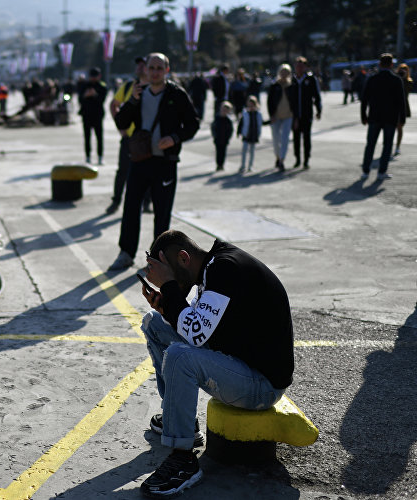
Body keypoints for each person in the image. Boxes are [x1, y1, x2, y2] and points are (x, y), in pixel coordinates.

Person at [137, 230, 294, 498]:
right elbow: (199, 329)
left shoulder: (225, 269)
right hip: (237, 361)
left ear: (183, 258)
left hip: (261, 384)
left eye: (167, 274)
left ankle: (183, 459)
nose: (165, 282)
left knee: (179, 356)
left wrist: (169, 287)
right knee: (154, 323)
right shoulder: (212, 267)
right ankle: (180, 421)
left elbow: (196, 332)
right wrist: (167, 307)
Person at [108, 52, 199, 271]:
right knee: (131, 208)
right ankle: (126, 253)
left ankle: (157, 258)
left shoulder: (176, 94)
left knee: (162, 211)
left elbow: (193, 124)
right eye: (152, 67)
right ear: (145, 70)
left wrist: (175, 138)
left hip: (165, 162)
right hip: (139, 161)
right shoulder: (138, 94)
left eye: (160, 68)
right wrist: (131, 101)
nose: (155, 71)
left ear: (167, 70)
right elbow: (121, 120)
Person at [106, 56, 151, 215]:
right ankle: (116, 201)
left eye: (143, 65)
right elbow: (114, 105)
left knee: (148, 173)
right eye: (138, 64)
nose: (139, 67)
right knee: (123, 171)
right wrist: (120, 127)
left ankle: (147, 202)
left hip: (148, 139)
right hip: (129, 139)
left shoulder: (155, 87)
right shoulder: (127, 87)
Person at [360, 53, 407, 181]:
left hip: (374, 117)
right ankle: (381, 172)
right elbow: (401, 101)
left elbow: (364, 99)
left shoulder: (372, 79)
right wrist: (402, 118)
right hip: (390, 118)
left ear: (379, 64)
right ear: (392, 65)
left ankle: (365, 171)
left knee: (370, 144)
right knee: (387, 145)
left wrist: (363, 115)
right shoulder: (397, 80)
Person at [287, 56, 322, 169]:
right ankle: (297, 158)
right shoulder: (291, 80)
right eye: (297, 66)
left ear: (306, 67)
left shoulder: (311, 79)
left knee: (306, 138)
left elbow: (316, 96)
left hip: (307, 114)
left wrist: (318, 110)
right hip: (294, 115)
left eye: (302, 66)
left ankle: (306, 159)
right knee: (296, 138)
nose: (299, 68)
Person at [77, 67, 109, 164]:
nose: (93, 78)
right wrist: (85, 95)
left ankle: (100, 157)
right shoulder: (84, 86)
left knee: (99, 137)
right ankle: (88, 157)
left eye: (95, 76)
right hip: (86, 114)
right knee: (87, 137)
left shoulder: (102, 86)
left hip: (98, 114)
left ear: (99, 76)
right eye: (92, 76)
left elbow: (102, 100)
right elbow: (80, 100)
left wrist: (94, 95)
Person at [267, 63, 294, 171]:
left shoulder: (291, 86)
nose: (284, 74)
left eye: (286, 72)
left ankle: (282, 159)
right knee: (276, 139)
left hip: (288, 115)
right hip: (276, 116)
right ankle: (277, 157)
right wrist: (271, 115)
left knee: (285, 139)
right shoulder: (274, 86)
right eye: (282, 72)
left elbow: (294, 102)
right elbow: (269, 102)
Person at [237, 95, 264, 173]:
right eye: (250, 105)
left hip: (254, 135)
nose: (251, 107)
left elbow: (261, 123)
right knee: (244, 150)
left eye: (253, 105)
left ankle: (250, 166)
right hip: (246, 134)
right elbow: (241, 124)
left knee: (252, 151)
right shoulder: (245, 114)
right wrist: (238, 132)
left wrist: (271, 121)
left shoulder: (258, 114)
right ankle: (242, 166)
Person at [395, 63, 412, 156]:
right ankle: (389, 145)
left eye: (405, 69)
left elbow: (407, 90)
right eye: (401, 69)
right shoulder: (394, 79)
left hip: (403, 107)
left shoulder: (409, 81)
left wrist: (404, 78)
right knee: (391, 127)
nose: (403, 71)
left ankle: (397, 146)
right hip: (393, 106)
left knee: (400, 127)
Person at [210, 101, 233, 172]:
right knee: (218, 152)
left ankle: (222, 164)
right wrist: (214, 136)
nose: (224, 112)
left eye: (226, 110)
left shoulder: (228, 120)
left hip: (225, 139)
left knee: (223, 152)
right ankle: (218, 164)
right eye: (223, 110)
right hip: (218, 138)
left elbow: (230, 130)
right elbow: (213, 127)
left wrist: (228, 137)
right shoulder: (217, 118)